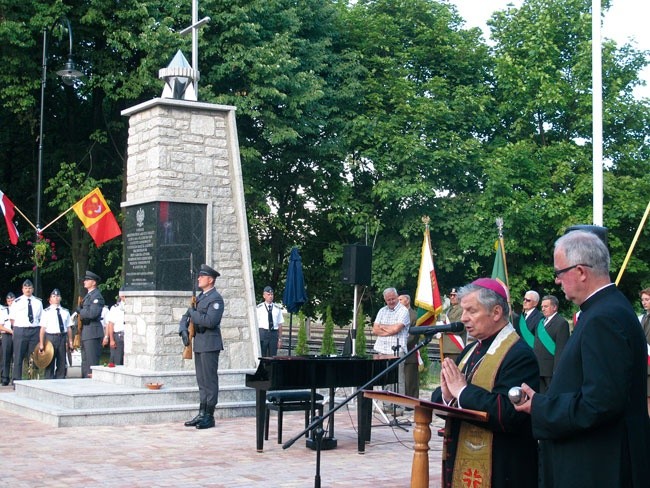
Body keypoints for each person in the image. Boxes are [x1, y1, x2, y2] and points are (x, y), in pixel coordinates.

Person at [514, 230, 650, 487]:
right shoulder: (607, 309)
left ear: (580, 272)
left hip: (599, 465)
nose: (557, 281)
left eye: (559, 272)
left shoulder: (604, 318)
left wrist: (540, 407)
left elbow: (600, 402)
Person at [431, 278, 539, 488]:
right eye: (463, 311)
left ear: (496, 312)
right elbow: (447, 396)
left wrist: (461, 392)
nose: (463, 318)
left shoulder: (519, 354)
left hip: (502, 466)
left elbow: (508, 412)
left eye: (471, 311)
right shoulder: (471, 350)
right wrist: (446, 396)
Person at [179, 264, 224, 429]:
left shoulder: (216, 299)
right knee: (202, 381)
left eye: (202, 276)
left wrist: (193, 314)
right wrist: (183, 330)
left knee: (210, 381)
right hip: (199, 344)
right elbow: (185, 316)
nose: (199, 278)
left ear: (210, 280)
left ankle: (209, 416)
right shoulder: (200, 297)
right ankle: (202, 412)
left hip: (210, 344)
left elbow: (210, 321)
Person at [373, 287, 410, 394]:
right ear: (385, 300)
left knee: (397, 379)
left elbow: (396, 329)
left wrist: (383, 327)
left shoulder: (403, 311)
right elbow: (375, 330)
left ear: (397, 297)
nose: (391, 302)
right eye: (388, 300)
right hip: (381, 350)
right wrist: (390, 329)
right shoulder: (382, 310)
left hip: (396, 351)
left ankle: (399, 406)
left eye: (393, 299)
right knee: (384, 378)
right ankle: (386, 404)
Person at [533, 295, 570, 393]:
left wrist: (557, 370)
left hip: (550, 369)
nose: (543, 309)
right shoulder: (540, 322)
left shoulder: (561, 323)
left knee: (551, 395)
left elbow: (560, 349)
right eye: (542, 307)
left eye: (546, 306)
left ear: (554, 307)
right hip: (538, 367)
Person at [10, 280, 43, 383]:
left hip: (34, 330)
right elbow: (12, 319)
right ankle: (17, 380)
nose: (28, 290)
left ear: (32, 289)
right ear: (22, 289)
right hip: (21, 330)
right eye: (26, 288)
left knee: (33, 357)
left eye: (29, 288)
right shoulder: (16, 302)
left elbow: (41, 318)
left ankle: (32, 380)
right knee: (18, 356)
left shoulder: (38, 302)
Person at [38, 289, 72, 379]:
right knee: (50, 361)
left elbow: (69, 328)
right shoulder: (46, 312)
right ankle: (48, 380)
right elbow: (42, 329)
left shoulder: (65, 311)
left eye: (57, 296)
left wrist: (70, 341)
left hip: (62, 337)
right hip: (50, 337)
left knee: (61, 361)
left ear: (60, 298)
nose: (56, 298)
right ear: (50, 299)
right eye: (54, 296)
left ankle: (60, 379)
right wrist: (41, 344)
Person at [77, 271, 105, 378]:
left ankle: (91, 384)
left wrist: (80, 311)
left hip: (93, 332)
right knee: (85, 361)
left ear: (93, 282)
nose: (85, 282)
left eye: (87, 280)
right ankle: (85, 381)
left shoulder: (97, 296)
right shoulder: (89, 296)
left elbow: (92, 314)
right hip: (86, 331)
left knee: (91, 362)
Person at [398, 293, 419, 401]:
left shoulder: (414, 315)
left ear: (407, 300)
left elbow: (414, 336)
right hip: (396, 351)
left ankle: (410, 402)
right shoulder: (397, 314)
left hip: (409, 350)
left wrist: (401, 344)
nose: (398, 302)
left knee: (410, 379)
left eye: (400, 299)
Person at [255, 286, 284, 357]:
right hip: (263, 333)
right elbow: (255, 324)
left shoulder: (277, 308)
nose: (270, 296)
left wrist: (280, 339)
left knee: (273, 356)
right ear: (264, 296)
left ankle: (272, 368)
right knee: (262, 355)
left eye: (272, 294)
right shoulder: (259, 308)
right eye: (268, 294)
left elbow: (280, 324)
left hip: (273, 334)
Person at [441, 288, 467, 361]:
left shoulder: (462, 310)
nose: (452, 297)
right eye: (451, 295)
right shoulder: (448, 310)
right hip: (446, 347)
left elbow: (460, 328)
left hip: (455, 348)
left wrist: (443, 328)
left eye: (454, 295)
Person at [103, 290, 126, 365]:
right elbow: (110, 324)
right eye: (123, 296)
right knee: (117, 359)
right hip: (119, 336)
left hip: (130, 335)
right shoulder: (115, 308)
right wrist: (111, 339)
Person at [0, 292, 15, 385]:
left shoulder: (19, 310)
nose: (10, 302)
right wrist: (10, 331)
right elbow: (0, 326)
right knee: (5, 357)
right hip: (7, 335)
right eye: (8, 300)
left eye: (12, 300)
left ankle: (15, 378)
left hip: (17, 335)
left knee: (16, 357)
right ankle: (5, 378)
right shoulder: (3, 311)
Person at [640, 288, 650, 415]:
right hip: (644, 363)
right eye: (642, 300)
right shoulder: (642, 318)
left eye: (647, 299)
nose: (644, 302)